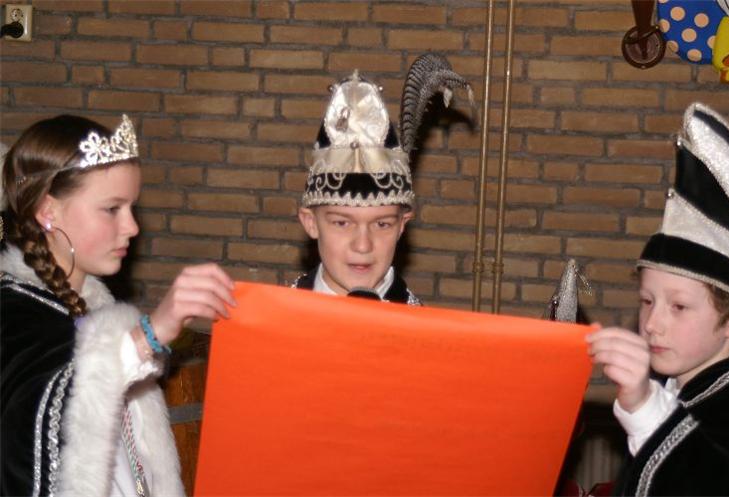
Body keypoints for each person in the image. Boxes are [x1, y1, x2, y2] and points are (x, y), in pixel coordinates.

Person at [0, 114, 236, 496]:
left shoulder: (95, 308)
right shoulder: (14, 314)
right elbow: (49, 409)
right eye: (112, 209)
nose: (132, 227)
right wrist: (149, 335)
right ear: (48, 212)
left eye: (131, 208)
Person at [587, 103, 729, 496]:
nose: (652, 324)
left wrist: (645, 407)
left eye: (679, 307)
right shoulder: (675, 382)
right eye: (647, 301)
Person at [293, 53, 472, 305]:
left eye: (382, 224)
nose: (363, 246)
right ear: (311, 223)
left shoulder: (421, 326)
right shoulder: (268, 320)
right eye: (342, 223)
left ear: (402, 225)